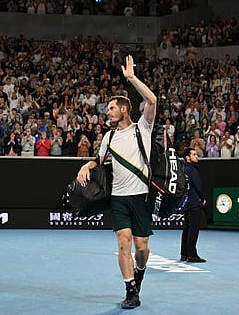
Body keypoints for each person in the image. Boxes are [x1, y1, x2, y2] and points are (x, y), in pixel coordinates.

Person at [76, 55, 156, 309]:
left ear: (123, 109)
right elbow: (98, 161)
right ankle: (130, 290)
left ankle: (139, 272)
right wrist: (86, 165)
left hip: (140, 196)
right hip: (118, 198)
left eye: (111, 108)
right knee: (123, 241)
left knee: (141, 248)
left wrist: (131, 78)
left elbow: (152, 100)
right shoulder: (108, 136)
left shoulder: (141, 128)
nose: (107, 112)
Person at [180, 147, 206, 263]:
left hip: (185, 202)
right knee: (193, 229)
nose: (197, 156)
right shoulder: (192, 170)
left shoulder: (183, 169)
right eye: (194, 154)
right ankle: (192, 255)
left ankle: (184, 254)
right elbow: (198, 185)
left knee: (187, 229)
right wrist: (202, 197)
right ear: (188, 157)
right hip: (194, 202)